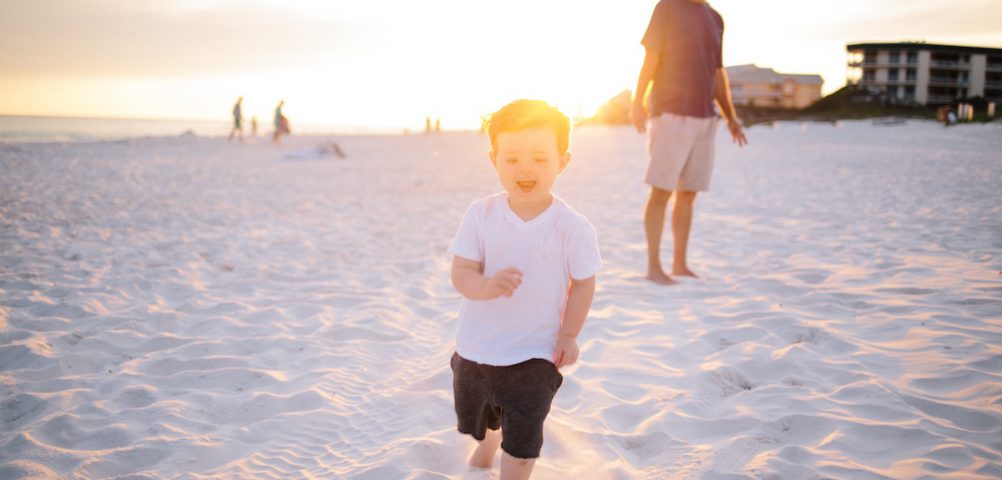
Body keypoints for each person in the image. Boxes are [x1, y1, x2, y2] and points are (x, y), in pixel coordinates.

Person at [447, 99, 601, 479]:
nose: (525, 168)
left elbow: (583, 283)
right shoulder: (480, 214)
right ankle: (483, 456)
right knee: (482, 422)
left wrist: (569, 334)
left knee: (523, 437)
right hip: (476, 349)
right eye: (512, 158)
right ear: (494, 160)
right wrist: (483, 286)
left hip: (535, 353)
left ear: (562, 162)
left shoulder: (572, 226)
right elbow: (461, 270)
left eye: (539, 158)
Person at [630, 0, 747, 285]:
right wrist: (637, 101)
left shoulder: (715, 18)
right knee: (661, 190)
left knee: (689, 193)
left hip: (706, 116)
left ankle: (679, 264)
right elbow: (652, 56)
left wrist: (731, 116)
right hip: (670, 112)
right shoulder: (667, 7)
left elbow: (718, 72)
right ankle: (654, 267)